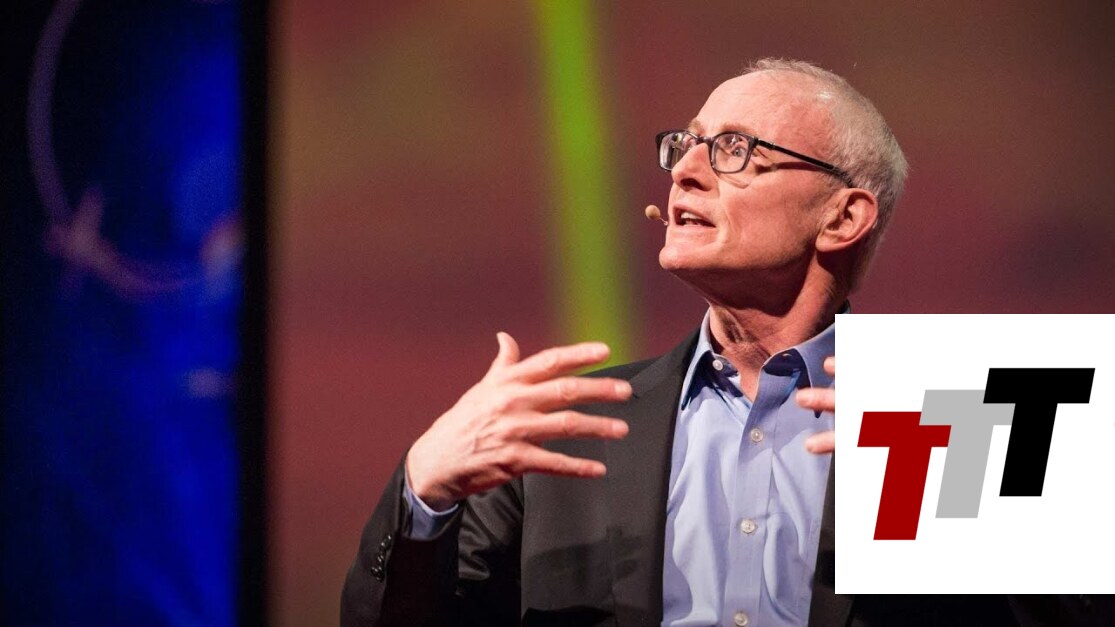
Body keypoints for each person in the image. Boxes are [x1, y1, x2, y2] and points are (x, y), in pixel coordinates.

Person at [341, 59, 1109, 626]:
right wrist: (423, 492)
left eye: (734, 149)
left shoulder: (961, 416)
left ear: (842, 217)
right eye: (684, 145)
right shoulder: (563, 432)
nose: (685, 172)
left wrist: (985, 496)